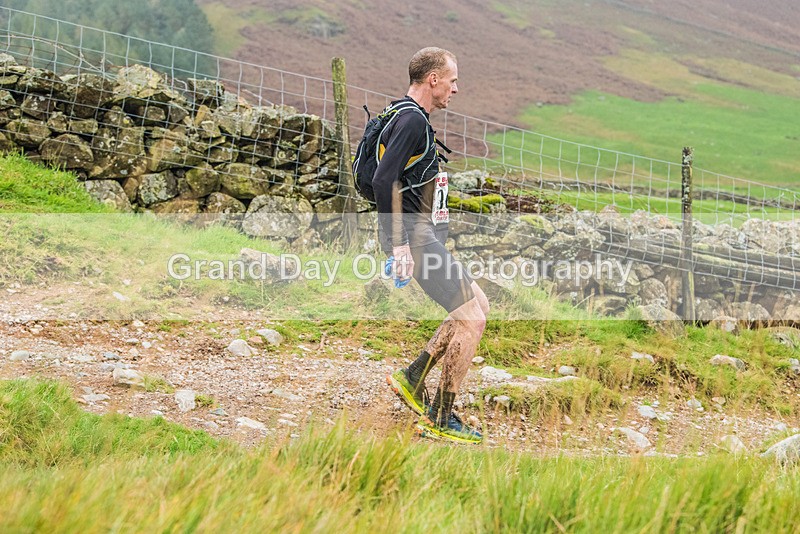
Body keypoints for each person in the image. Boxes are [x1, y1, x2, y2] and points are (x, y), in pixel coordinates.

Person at [379, 47, 490, 444]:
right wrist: (399, 247)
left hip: (421, 239)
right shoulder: (411, 120)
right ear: (433, 80)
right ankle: (441, 417)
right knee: (472, 320)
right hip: (413, 241)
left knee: (479, 304)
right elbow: (382, 180)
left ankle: (413, 377)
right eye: (453, 80)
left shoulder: (409, 117)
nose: (456, 89)